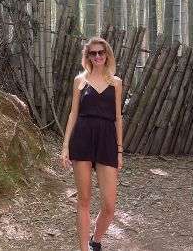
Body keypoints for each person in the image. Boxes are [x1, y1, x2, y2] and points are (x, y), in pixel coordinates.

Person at [60, 37, 124, 251]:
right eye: (93, 53)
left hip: (107, 140)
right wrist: (65, 146)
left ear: (107, 55)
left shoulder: (116, 82)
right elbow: (73, 113)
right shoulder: (80, 80)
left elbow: (118, 118)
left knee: (109, 205)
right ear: (87, 56)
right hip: (83, 138)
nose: (97, 56)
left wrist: (120, 150)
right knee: (84, 200)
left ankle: (95, 240)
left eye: (101, 53)